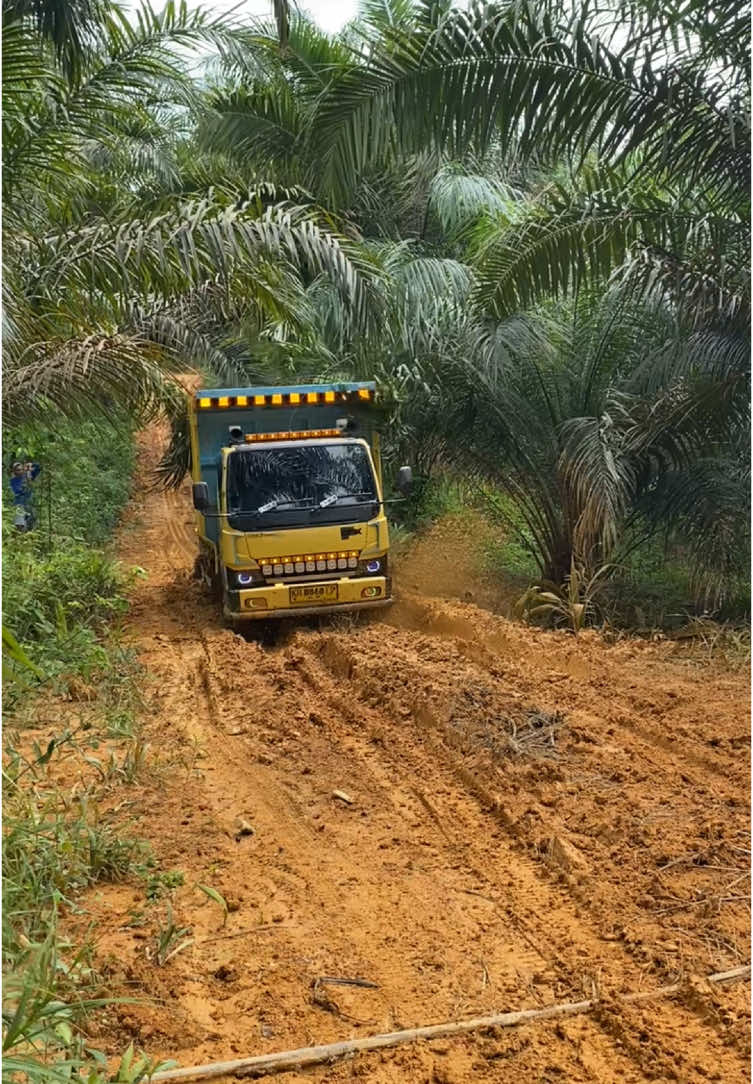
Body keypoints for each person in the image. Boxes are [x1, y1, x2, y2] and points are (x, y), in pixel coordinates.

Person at [9, 460, 40, 531]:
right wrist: (26, 481)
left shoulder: (29, 475)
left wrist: (31, 465)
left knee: (32, 523)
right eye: (18, 470)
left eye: (22, 469)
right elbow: (18, 491)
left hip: (30, 503)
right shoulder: (14, 480)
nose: (20, 471)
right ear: (14, 471)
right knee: (20, 524)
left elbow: (38, 467)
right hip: (20, 504)